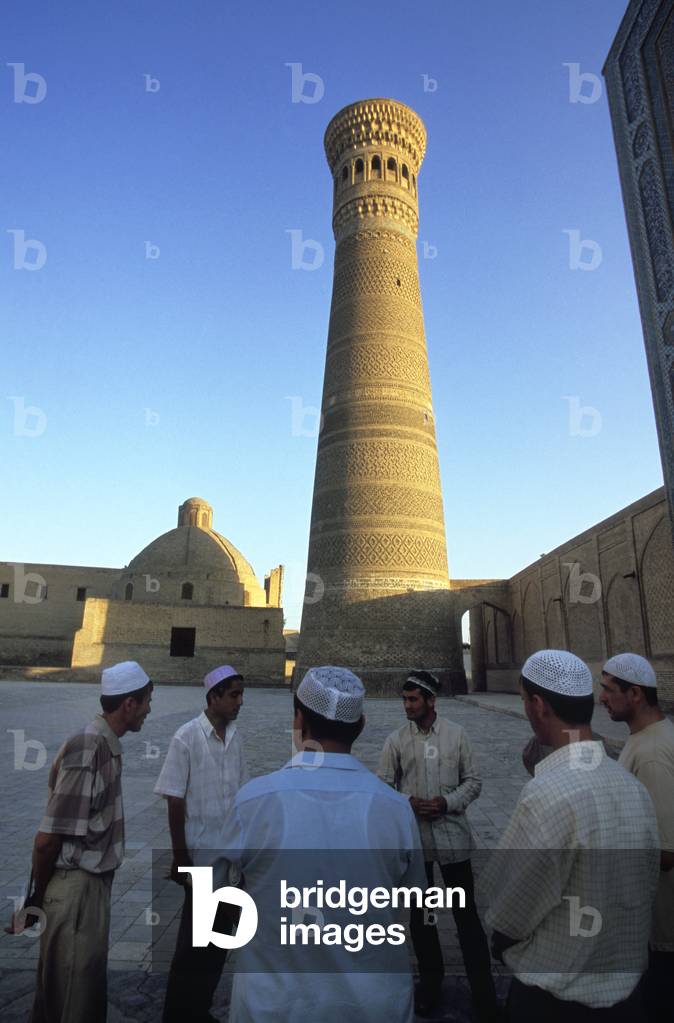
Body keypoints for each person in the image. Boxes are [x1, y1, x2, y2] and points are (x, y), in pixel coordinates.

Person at [218, 665, 427, 1023]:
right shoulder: (396, 810)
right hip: (374, 1005)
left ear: (298, 720)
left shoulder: (253, 802)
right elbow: (414, 899)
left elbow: (219, 907)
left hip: (273, 1005)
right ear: (360, 726)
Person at [484, 649, 660, 1022]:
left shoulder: (546, 793)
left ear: (537, 705)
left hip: (556, 1002)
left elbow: (509, 913)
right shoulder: (632, 786)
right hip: (630, 999)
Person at [13, 660, 153, 1023]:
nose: (150, 711)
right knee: (72, 1001)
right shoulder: (87, 747)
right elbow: (47, 839)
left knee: (76, 997)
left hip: (90, 891)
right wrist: (35, 899)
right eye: (148, 702)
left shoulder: (105, 745)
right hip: (75, 894)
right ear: (129, 704)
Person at [377, 669, 499, 1021]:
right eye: (404, 699)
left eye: (413, 699)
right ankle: (431, 983)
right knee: (423, 919)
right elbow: (383, 786)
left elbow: (473, 782)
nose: (407, 705)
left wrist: (448, 803)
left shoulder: (457, 736)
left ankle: (483, 992)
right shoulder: (397, 740)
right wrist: (409, 802)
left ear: (431, 700)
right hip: (417, 844)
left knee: (466, 918)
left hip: (453, 841)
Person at [155, 664, 248, 1023]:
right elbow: (174, 800)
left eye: (241, 694)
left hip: (229, 860)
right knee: (194, 946)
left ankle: (198, 1008)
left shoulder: (236, 737)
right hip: (202, 862)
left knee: (218, 943)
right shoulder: (186, 737)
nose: (240, 702)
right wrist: (181, 860)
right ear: (213, 698)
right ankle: (179, 1013)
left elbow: (241, 795)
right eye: (234, 695)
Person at [599, 652, 674, 1021]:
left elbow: (665, 852)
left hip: (661, 930)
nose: (602, 699)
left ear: (636, 695)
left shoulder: (652, 753)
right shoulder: (646, 738)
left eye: (609, 690)